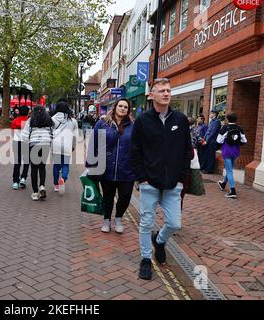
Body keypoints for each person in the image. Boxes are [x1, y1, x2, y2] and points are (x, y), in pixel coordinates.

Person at [130, 78, 192, 280]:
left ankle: (161, 240)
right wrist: (142, 178)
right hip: (150, 182)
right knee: (146, 223)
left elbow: (186, 151)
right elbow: (135, 151)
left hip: (173, 183)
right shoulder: (142, 120)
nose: (166, 93)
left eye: (169, 90)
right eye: (162, 90)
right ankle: (146, 259)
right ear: (152, 95)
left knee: (174, 223)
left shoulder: (180, 120)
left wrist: (182, 178)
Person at [87, 98, 135, 234]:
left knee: (125, 197)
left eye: (126, 107)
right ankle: (106, 220)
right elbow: (93, 143)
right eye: (120, 106)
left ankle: (118, 218)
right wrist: (91, 163)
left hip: (127, 169)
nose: (123, 108)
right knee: (108, 196)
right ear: (115, 107)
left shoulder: (133, 126)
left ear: (128, 110)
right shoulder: (102, 124)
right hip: (106, 167)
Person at [22, 106, 54, 201]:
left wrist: (27, 142)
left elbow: (24, 135)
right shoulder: (49, 120)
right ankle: (42, 186)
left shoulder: (30, 121)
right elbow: (53, 133)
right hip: (45, 144)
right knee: (42, 167)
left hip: (34, 144)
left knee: (34, 169)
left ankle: (35, 192)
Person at [216, 112, 247, 198]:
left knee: (229, 171)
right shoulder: (239, 128)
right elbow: (244, 141)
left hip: (227, 150)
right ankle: (223, 184)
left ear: (227, 119)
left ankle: (233, 190)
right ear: (236, 119)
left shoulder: (225, 128)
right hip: (236, 151)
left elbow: (219, 140)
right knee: (230, 169)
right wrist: (236, 143)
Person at [51, 99, 78, 193]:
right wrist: (73, 146)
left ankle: (56, 185)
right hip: (67, 145)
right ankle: (63, 177)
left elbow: (50, 132)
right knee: (65, 165)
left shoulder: (52, 119)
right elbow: (75, 136)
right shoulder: (73, 121)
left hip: (56, 145)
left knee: (56, 165)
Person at [10, 106, 30, 190]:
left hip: (16, 141)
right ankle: (23, 178)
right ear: (27, 112)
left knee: (17, 162)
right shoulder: (29, 122)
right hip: (26, 142)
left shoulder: (15, 121)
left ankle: (15, 182)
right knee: (26, 161)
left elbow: (12, 131)